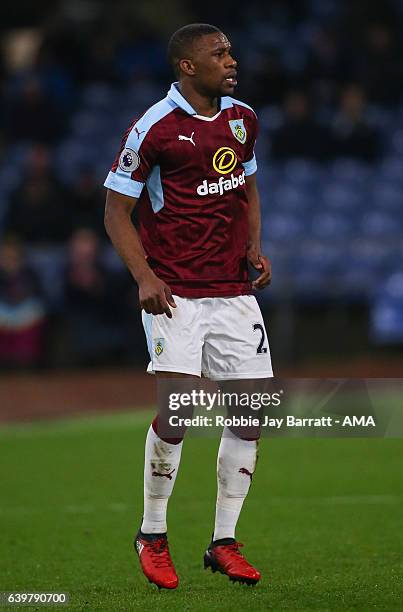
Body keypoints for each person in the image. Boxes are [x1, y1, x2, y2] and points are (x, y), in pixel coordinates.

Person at [104, 23, 273, 590]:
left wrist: (253, 243)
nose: (231, 59)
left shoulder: (243, 118)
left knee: (251, 417)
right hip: (174, 291)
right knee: (180, 413)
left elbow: (246, 184)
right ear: (187, 66)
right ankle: (153, 533)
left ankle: (223, 541)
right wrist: (144, 275)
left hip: (232, 290)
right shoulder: (153, 127)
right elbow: (114, 211)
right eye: (218, 53)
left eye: (231, 49)